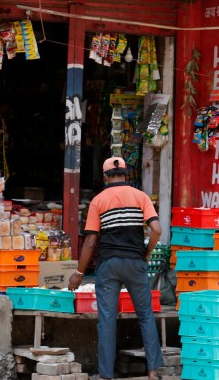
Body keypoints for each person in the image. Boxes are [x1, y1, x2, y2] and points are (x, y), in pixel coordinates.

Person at [68, 157, 163, 380]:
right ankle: (152, 371)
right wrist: (146, 253)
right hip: (135, 263)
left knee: (107, 321)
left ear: (105, 176)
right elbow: (157, 229)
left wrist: (79, 273)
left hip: (109, 265)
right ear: (126, 174)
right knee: (146, 316)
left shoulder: (98, 201)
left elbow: (91, 241)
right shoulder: (141, 197)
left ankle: (105, 375)